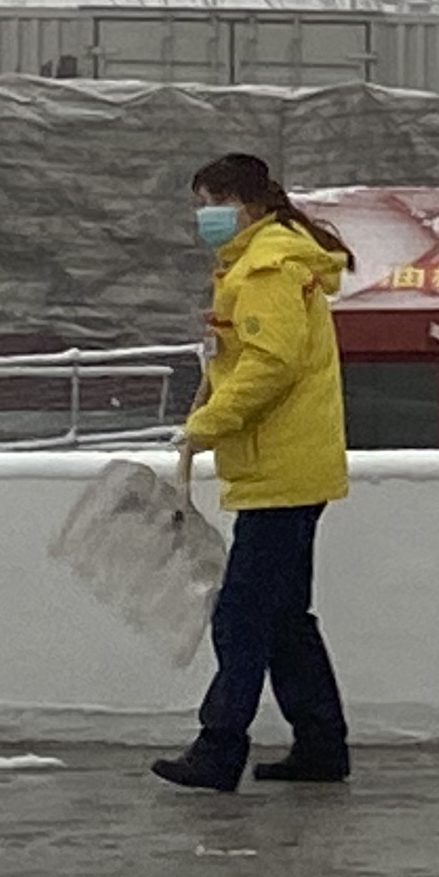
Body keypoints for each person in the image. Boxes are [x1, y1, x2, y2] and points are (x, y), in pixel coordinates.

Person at [153, 154, 357, 795]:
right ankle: (322, 744)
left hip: (280, 470)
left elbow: (270, 365)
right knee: (285, 616)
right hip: (292, 465)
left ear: (243, 202)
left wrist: (207, 426)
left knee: (241, 615)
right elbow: (239, 359)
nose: (202, 217)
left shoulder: (267, 267)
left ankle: (220, 749)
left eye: (209, 201)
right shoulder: (264, 260)